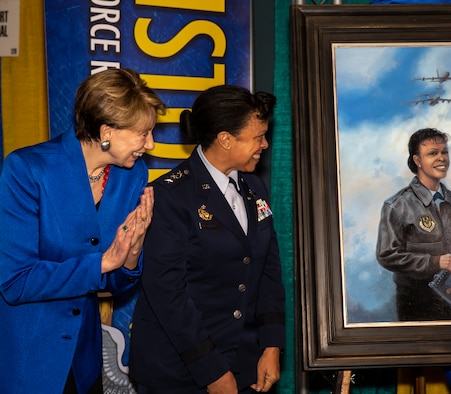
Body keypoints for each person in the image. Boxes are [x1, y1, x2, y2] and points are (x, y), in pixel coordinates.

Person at [0, 68, 166, 393]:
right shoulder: (28, 170)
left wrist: (132, 253)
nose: (151, 143)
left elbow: (118, 283)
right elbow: (14, 281)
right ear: (107, 131)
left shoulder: (132, 176)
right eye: (143, 133)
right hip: (31, 360)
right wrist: (101, 263)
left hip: (85, 360)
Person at [130, 85, 286, 394]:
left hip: (244, 366)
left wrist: (271, 344)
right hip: (181, 372)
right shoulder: (171, 196)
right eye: (258, 137)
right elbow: (167, 294)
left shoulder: (255, 188)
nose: (265, 144)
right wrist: (211, 370)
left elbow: (268, 269)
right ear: (226, 139)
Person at [376, 128, 451, 321]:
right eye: (433, 153)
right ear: (417, 161)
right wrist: (435, 262)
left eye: (444, 152)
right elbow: (387, 255)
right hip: (420, 310)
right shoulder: (397, 206)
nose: (442, 158)